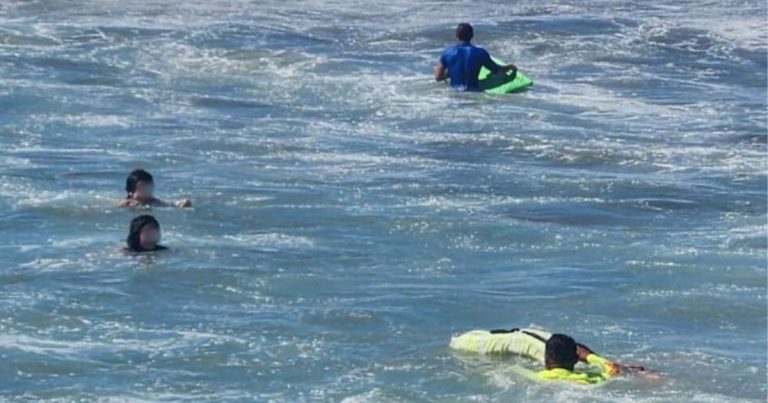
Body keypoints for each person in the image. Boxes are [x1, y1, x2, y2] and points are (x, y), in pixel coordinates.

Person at [449, 328, 655, 385]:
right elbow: (612, 369)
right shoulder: (595, 379)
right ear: (576, 359)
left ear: (546, 361)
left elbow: (507, 370)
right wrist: (594, 359)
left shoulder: (536, 377)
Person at [435, 23, 517, 91]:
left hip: (454, 93)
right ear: (472, 35)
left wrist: (451, 73)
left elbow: (438, 77)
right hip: (474, 93)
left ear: (457, 36)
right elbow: (496, 70)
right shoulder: (480, 53)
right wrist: (509, 67)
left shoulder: (447, 53)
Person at [118, 169, 192, 208]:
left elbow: (174, 204)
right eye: (143, 187)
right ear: (131, 191)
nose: (147, 189)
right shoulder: (126, 203)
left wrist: (183, 203)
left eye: (149, 185)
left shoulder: (155, 201)